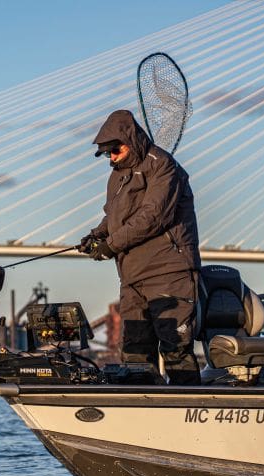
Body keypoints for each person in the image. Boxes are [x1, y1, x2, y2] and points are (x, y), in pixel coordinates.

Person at [79, 109, 201, 385]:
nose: (111, 157)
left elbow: (153, 217)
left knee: (176, 349)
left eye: (114, 149)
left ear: (130, 139)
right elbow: (115, 216)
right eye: (105, 154)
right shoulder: (118, 176)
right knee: (134, 353)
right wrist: (96, 236)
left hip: (169, 273)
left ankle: (190, 411)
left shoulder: (163, 166)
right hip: (132, 277)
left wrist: (110, 246)